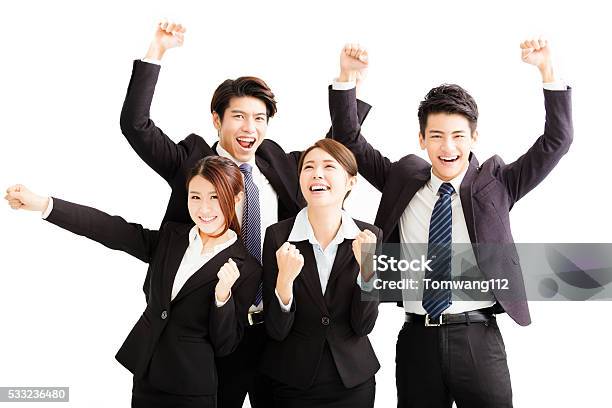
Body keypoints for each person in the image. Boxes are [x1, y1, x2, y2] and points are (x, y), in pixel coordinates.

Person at [120, 20, 373, 408]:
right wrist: (156, 51)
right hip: (216, 331)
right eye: (238, 116)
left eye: (259, 119)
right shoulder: (193, 162)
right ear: (217, 120)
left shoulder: (281, 164)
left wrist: (345, 81)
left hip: (280, 331)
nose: (249, 128)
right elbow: (136, 127)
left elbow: (333, 156)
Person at [328, 40, 572, 407]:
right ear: (422, 138)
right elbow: (349, 142)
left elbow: (556, 141)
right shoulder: (402, 178)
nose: (448, 147)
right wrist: (348, 78)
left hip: (477, 338)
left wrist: (547, 72)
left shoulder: (498, 183)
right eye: (437, 136)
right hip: (416, 341)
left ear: (474, 138)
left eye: (458, 136)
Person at [4, 156, 261, 408]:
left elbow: (225, 344)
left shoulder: (247, 268)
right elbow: (109, 229)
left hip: (191, 387)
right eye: (196, 197)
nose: (204, 209)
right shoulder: (172, 236)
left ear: (236, 198)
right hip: (146, 376)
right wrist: (44, 204)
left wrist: (222, 297)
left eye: (215, 197)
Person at [260, 139, 382, 408]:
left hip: (352, 381)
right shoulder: (278, 236)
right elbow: (276, 330)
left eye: (329, 166)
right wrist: (284, 282)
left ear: (351, 181)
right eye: (309, 167)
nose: (317, 174)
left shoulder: (369, 236)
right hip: (291, 381)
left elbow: (364, 325)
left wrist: (368, 271)